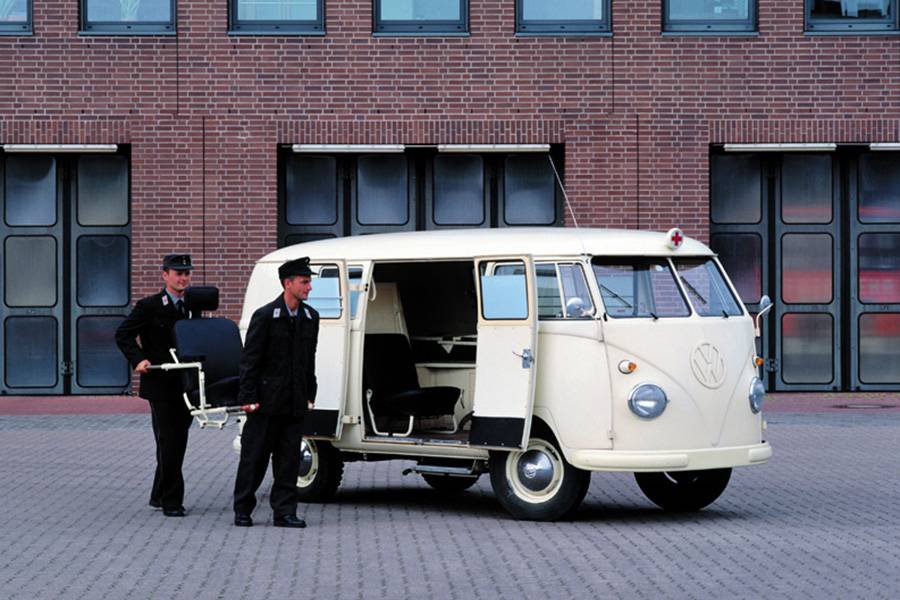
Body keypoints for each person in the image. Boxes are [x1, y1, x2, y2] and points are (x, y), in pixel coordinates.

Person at [233, 256, 319, 528]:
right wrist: (247, 398)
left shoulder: (309, 317)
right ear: (287, 283)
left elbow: (309, 359)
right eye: (304, 282)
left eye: (309, 282)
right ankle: (243, 509)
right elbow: (250, 361)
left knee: (289, 461)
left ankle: (284, 512)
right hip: (266, 403)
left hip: (294, 402)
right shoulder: (265, 316)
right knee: (254, 459)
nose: (309, 288)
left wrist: (310, 391)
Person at [115, 254, 197, 517]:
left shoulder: (192, 306)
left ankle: (158, 494)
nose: (183, 278)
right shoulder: (149, 305)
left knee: (175, 440)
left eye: (186, 273)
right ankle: (172, 501)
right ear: (165, 275)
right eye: (177, 273)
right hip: (161, 384)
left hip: (185, 383)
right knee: (170, 440)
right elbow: (123, 334)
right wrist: (139, 359)